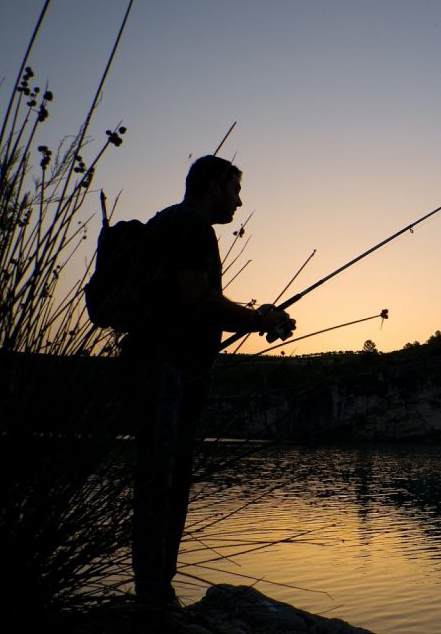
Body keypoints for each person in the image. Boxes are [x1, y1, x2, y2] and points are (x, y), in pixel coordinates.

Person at [121, 155, 294, 604]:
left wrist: (256, 319)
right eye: (235, 190)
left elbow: (195, 296)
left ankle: (154, 590)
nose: (239, 201)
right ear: (216, 185)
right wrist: (258, 319)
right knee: (165, 481)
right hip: (168, 372)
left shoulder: (167, 224)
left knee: (159, 477)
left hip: (157, 369)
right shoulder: (192, 226)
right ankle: (155, 596)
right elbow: (199, 299)